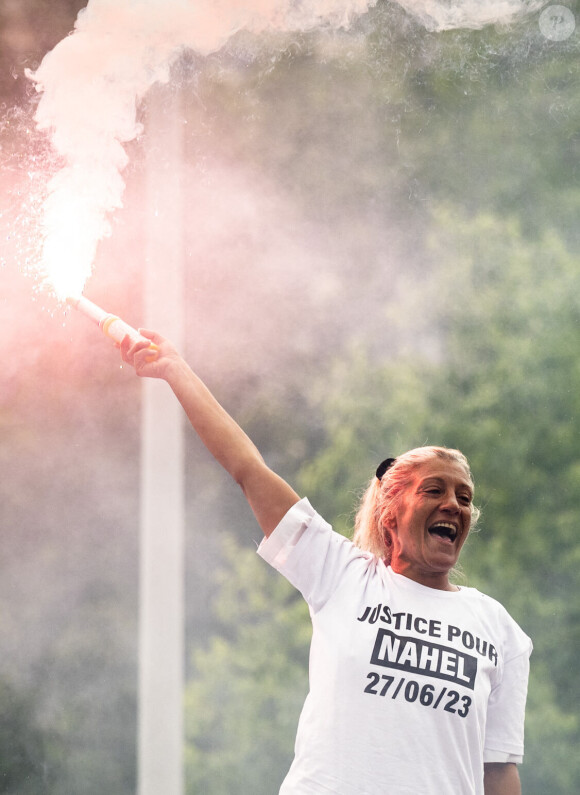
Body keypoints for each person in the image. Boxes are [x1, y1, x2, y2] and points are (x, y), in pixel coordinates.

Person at [121, 331, 532, 795]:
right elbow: (247, 467)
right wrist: (177, 369)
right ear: (390, 512)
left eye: (464, 498)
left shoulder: (500, 630)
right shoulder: (342, 575)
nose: (454, 505)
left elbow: (498, 771)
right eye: (433, 490)